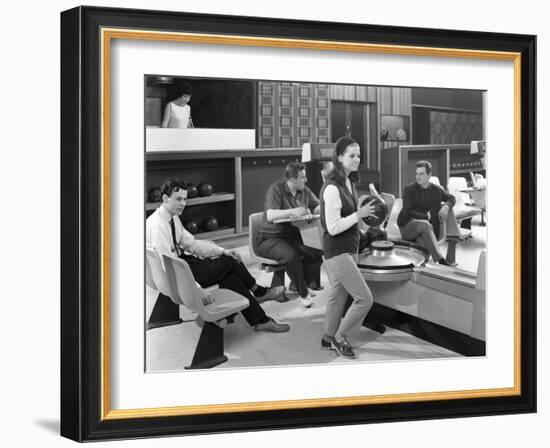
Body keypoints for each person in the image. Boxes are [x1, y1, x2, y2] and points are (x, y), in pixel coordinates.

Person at [147, 178, 289, 333]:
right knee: (230, 262)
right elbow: (168, 267)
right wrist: (197, 289)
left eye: (185, 199)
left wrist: (222, 251)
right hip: (181, 276)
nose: (183, 204)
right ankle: (259, 292)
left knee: (231, 279)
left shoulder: (171, 217)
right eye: (178, 199)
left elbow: (192, 244)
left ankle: (261, 321)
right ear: (165, 198)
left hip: (185, 266)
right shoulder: (158, 226)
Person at [319, 137, 379, 359]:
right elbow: (333, 228)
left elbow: (351, 218)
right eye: (352, 155)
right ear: (340, 157)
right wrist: (358, 215)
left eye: (359, 155)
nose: (357, 159)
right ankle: (340, 337)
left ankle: (327, 337)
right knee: (365, 298)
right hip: (337, 251)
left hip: (349, 247)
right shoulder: (332, 188)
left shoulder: (349, 182)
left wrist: (364, 218)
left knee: (338, 294)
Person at [256, 162, 324, 308]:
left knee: (317, 253)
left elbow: (316, 205)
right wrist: (293, 211)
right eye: (303, 178)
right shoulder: (276, 189)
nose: (306, 180)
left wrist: (318, 210)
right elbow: (270, 215)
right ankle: (303, 293)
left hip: (291, 236)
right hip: (269, 238)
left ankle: (297, 284)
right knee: (292, 256)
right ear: (292, 179)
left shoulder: (304, 190)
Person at [397, 160, 455, 266]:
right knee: (425, 224)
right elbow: (407, 212)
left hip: (425, 230)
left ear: (429, 175)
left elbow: (452, 198)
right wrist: (425, 216)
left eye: (422, 174)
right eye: (417, 173)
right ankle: (441, 260)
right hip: (407, 226)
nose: (418, 177)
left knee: (423, 242)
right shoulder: (409, 189)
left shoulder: (437, 190)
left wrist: (447, 206)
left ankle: (425, 269)